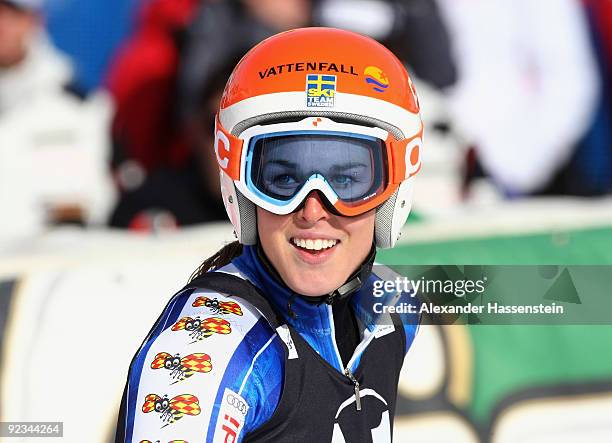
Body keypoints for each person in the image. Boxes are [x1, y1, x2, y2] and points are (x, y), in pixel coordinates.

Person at [116, 27, 423, 442]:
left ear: (393, 190)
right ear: (241, 191)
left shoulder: (392, 305)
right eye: (282, 179)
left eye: (349, 180)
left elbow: (536, 296)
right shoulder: (211, 349)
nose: (314, 209)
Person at [0, 0, 114, 242]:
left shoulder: (82, 108)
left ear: (34, 19)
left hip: (46, 266)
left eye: (10, 14)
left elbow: (100, 202)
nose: (2, 25)